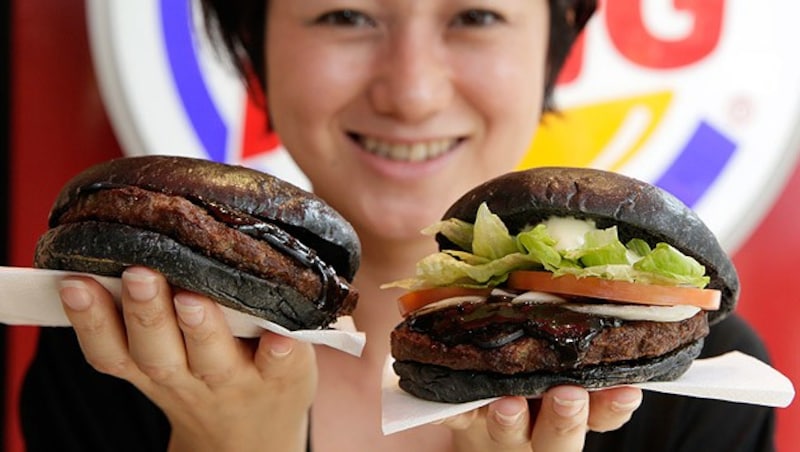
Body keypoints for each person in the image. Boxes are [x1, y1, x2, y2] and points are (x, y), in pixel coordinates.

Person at [18, 0, 773, 451]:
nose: (411, 92)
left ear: (555, 48)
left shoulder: (692, 392)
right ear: (258, 56)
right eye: (345, 13)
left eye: (475, 14)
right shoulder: (115, 355)